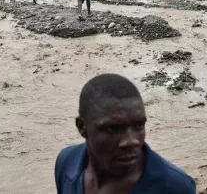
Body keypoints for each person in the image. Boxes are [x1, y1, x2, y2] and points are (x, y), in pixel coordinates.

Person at [54, 74, 196, 194]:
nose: (131, 141)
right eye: (112, 129)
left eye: (139, 125)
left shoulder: (174, 186)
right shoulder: (67, 162)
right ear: (82, 127)